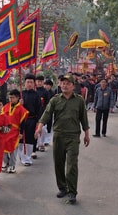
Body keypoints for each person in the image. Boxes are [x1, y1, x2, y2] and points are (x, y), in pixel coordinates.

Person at [35, 74, 90, 205]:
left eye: (67, 83)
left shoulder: (79, 100)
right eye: (62, 83)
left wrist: (86, 134)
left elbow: (84, 118)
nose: (64, 85)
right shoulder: (55, 100)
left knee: (71, 165)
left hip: (73, 136)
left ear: (73, 86)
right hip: (59, 136)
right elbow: (46, 114)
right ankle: (62, 188)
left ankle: (72, 192)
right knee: (58, 164)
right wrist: (39, 127)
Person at [2, 89, 28, 174]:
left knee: (13, 149)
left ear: (17, 98)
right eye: (9, 97)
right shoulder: (5, 107)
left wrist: (21, 133)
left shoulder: (21, 109)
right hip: (5, 131)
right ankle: (6, 163)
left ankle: (12, 165)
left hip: (15, 131)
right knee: (3, 148)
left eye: (12, 97)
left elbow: (23, 122)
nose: (10, 99)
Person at [19, 74, 42, 165]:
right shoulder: (21, 94)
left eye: (31, 82)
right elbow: (13, 107)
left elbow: (39, 109)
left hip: (32, 120)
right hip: (21, 120)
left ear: (34, 84)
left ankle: (27, 158)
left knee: (29, 139)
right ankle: (22, 156)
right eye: (28, 82)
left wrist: (39, 122)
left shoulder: (36, 95)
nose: (29, 84)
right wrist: (19, 104)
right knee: (20, 139)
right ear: (25, 83)